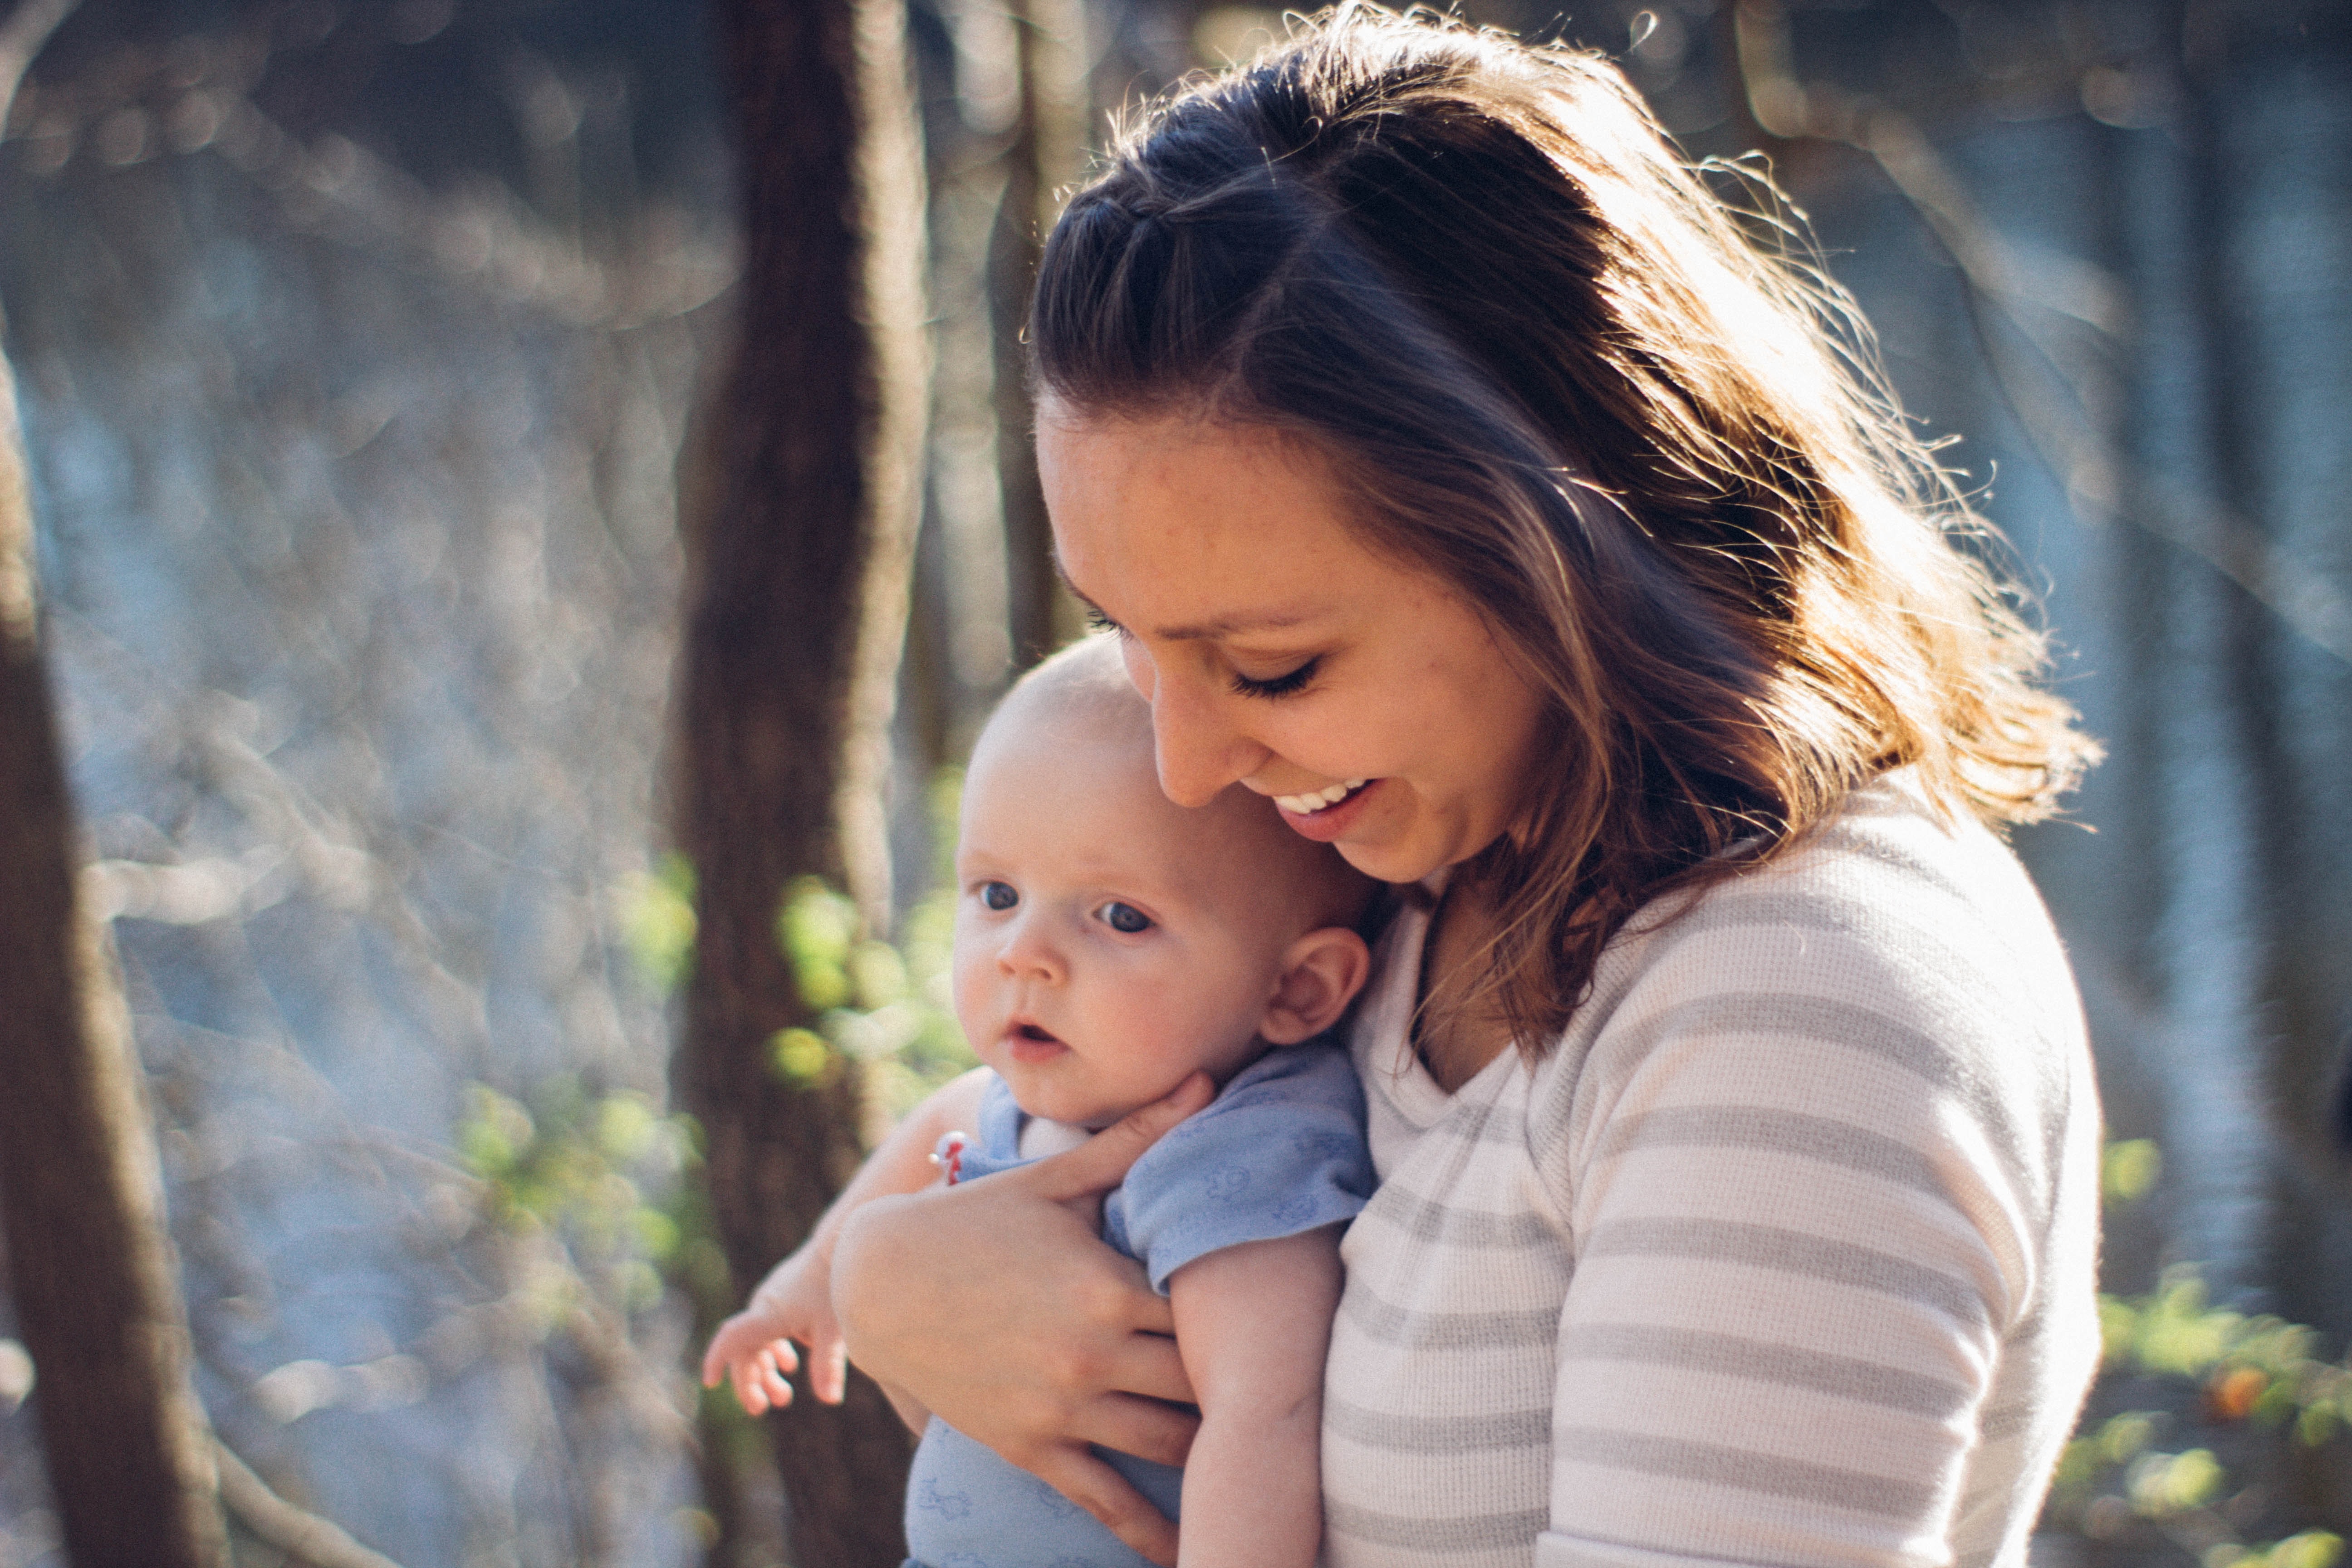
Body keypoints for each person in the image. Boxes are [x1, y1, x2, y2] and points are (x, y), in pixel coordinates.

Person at [815, 7, 2107, 1568]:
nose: (1184, 763)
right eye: (1127, 639)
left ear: (1572, 545)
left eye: (1273, 667)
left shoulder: (1795, 998)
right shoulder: (1425, 869)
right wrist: (895, 1281)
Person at [702, 637, 1382, 1568]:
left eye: (1120, 916)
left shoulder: (1238, 1155)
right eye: (997, 893)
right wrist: (801, 1290)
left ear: (1298, 990)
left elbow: (1265, 1418)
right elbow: (933, 1124)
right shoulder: (1011, 1104)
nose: (1024, 952)